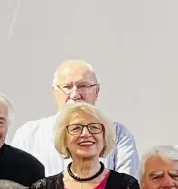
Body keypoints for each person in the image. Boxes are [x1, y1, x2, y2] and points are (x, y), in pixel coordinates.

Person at [10, 60, 140, 177]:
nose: (75, 94)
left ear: (97, 91)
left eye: (83, 86)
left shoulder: (118, 134)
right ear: (54, 92)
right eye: (67, 87)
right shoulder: (28, 135)